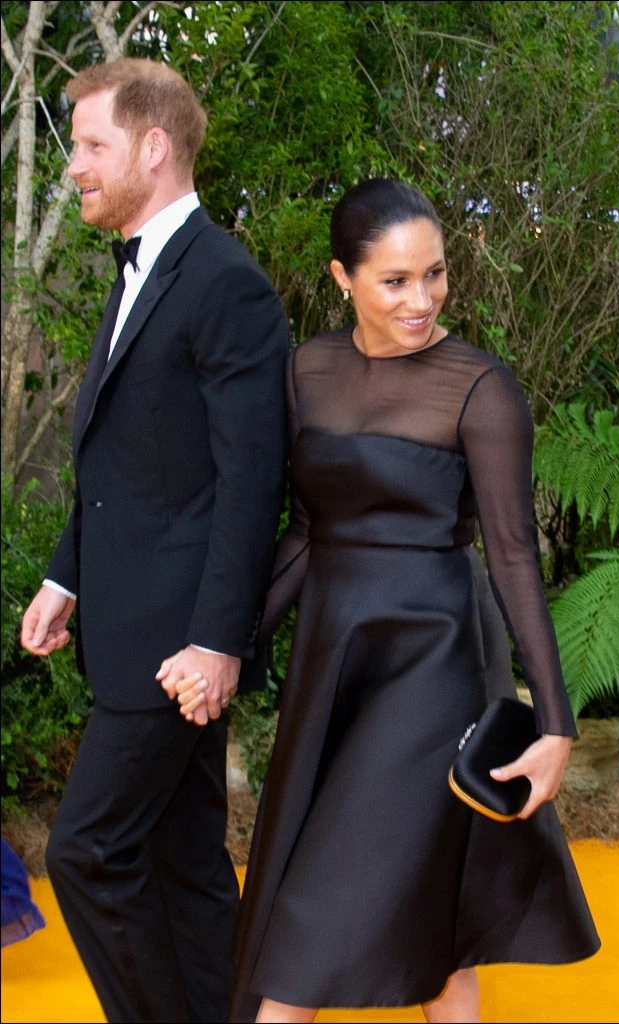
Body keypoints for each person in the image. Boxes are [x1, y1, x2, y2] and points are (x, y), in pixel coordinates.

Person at [174, 178, 600, 1024]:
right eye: (395, 280)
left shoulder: (480, 388)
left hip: (434, 664)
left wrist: (555, 724)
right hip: (336, 659)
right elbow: (301, 535)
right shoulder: (306, 374)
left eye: (434, 275)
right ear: (342, 278)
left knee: (311, 908)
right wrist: (221, 643)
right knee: (433, 932)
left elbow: (514, 555)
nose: (421, 299)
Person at [20, 57, 288, 1024]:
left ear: (153, 145)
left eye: (91, 145)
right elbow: (127, 466)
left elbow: (254, 483)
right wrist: (66, 576)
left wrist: (217, 642)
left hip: (180, 648)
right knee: (184, 865)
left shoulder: (227, 284)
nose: (75, 168)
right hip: (138, 633)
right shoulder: (142, 271)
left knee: (87, 852)